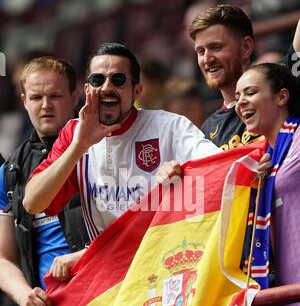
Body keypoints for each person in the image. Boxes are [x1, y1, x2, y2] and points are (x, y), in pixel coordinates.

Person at [23, 43, 220, 249]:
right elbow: (32, 203)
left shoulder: (170, 127)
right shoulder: (74, 134)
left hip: (163, 260)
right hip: (108, 269)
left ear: (137, 91)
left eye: (118, 80)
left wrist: (186, 174)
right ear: (87, 89)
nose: (107, 87)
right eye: (97, 80)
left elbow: (218, 166)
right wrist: (79, 146)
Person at [0, 56, 89, 306]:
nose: (45, 105)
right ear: (24, 101)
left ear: (75, 96)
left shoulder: (102, 150)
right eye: (36, 97)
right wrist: (24, 296)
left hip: (105, 302)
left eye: (54, 96)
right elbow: (3, 256)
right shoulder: (10, 171)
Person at [235, 62, 300, 306]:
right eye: (237, 96)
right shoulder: (262, 160)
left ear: (282, 97)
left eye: (251, 92)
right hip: (285, 303)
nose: (241, 102)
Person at [188, 4, 300, 151]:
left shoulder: (281, 79)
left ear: (246, 47)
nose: (207, 59)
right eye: (201, 51)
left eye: (216, 47)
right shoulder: (208, 129)